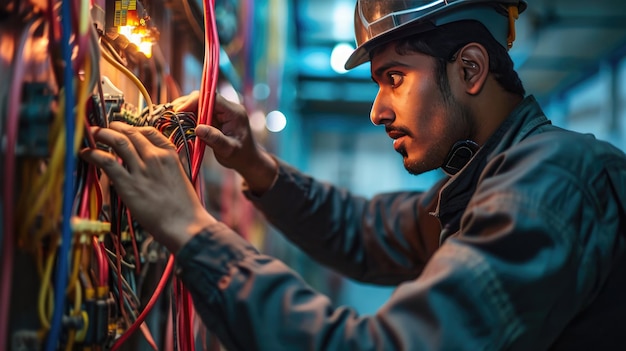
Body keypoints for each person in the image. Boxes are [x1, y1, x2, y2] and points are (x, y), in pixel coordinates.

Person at [81, 0, 626, 349]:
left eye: (394, 77)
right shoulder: (488, 180)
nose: (377, 110)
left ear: (470, 70)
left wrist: (191, 230)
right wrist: (255, 164)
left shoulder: (548, 189)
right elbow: (363, 230)